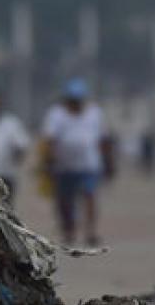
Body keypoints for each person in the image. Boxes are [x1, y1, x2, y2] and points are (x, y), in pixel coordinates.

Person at [41, 79, 106, 246]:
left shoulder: (94, 113)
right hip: (64, 167)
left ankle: (90, 231)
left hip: (88, 165)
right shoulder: (56, 114)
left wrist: (108, 161)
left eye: (78, 101)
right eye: (72, 101)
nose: (75, 104)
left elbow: (101, 139)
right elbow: (50, 140)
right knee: (65, 201)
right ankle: (68, 230)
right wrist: (49, 160)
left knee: (89, 196)